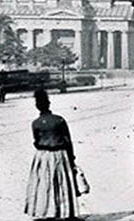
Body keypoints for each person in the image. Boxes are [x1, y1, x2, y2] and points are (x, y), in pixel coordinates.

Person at [24, 88, 78, 220]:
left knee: (44, 184)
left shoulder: (35, 123)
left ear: (37, 106)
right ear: (49, 104)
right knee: (62, 183)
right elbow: (68, 141)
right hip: (60, 154)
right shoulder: (59, 120)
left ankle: (46, 211)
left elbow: (36, 141)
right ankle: (65, 212)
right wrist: (72, 159)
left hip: (43, 156)